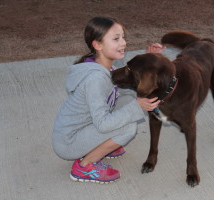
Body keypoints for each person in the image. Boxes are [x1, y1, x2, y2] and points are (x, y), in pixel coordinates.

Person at [52, 16, 165, 184]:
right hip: (69, 142)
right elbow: (103, 124)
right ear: (97, 45)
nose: (124, 43)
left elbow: (129, 80)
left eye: (123, 37)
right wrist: (136, 106)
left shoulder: (103, 66)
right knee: (128, 126)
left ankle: (102, 144)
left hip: (83, 128)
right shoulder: (95, 79)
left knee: (126, 98)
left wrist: (150, 58)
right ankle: (84, 166)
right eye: (116, 39)